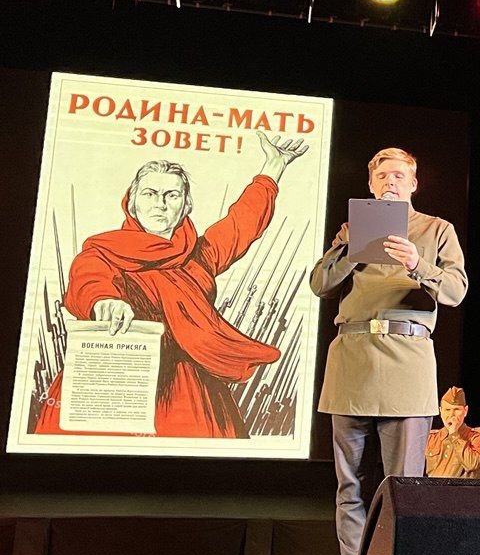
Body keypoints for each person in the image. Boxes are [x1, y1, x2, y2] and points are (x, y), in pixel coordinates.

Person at [36, 131, 309, 438]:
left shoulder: (198, 256)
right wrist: (104, 302)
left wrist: (274, 167)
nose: (160, 204)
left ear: (186, 205)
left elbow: (241, 223)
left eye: (172, 195)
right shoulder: (104, 251)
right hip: (118, 375)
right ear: (132, 203)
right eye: (149, 194)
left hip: (189, 390)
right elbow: (89, 278)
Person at [309, 147, 468, 555]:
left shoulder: (436, 229)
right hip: (352, 361)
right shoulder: (351, 231)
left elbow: (456, 291)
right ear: (371, 185)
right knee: (350, 483)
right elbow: (320, 284)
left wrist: (417, 263)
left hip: (407, 361)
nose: (391, 182)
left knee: (405, 484)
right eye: (382, 177)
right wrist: (352, 248)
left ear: (413, 184)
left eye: (399, 176)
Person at [425, 386, 480, 478]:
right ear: (440, 411)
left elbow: (472, 464)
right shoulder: (431, 437)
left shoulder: (476, 436)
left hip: (463, 487)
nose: (451, 415)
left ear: (465, 411)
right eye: (447, 410)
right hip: (434, 487)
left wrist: (454, 435)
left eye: (457, 409)